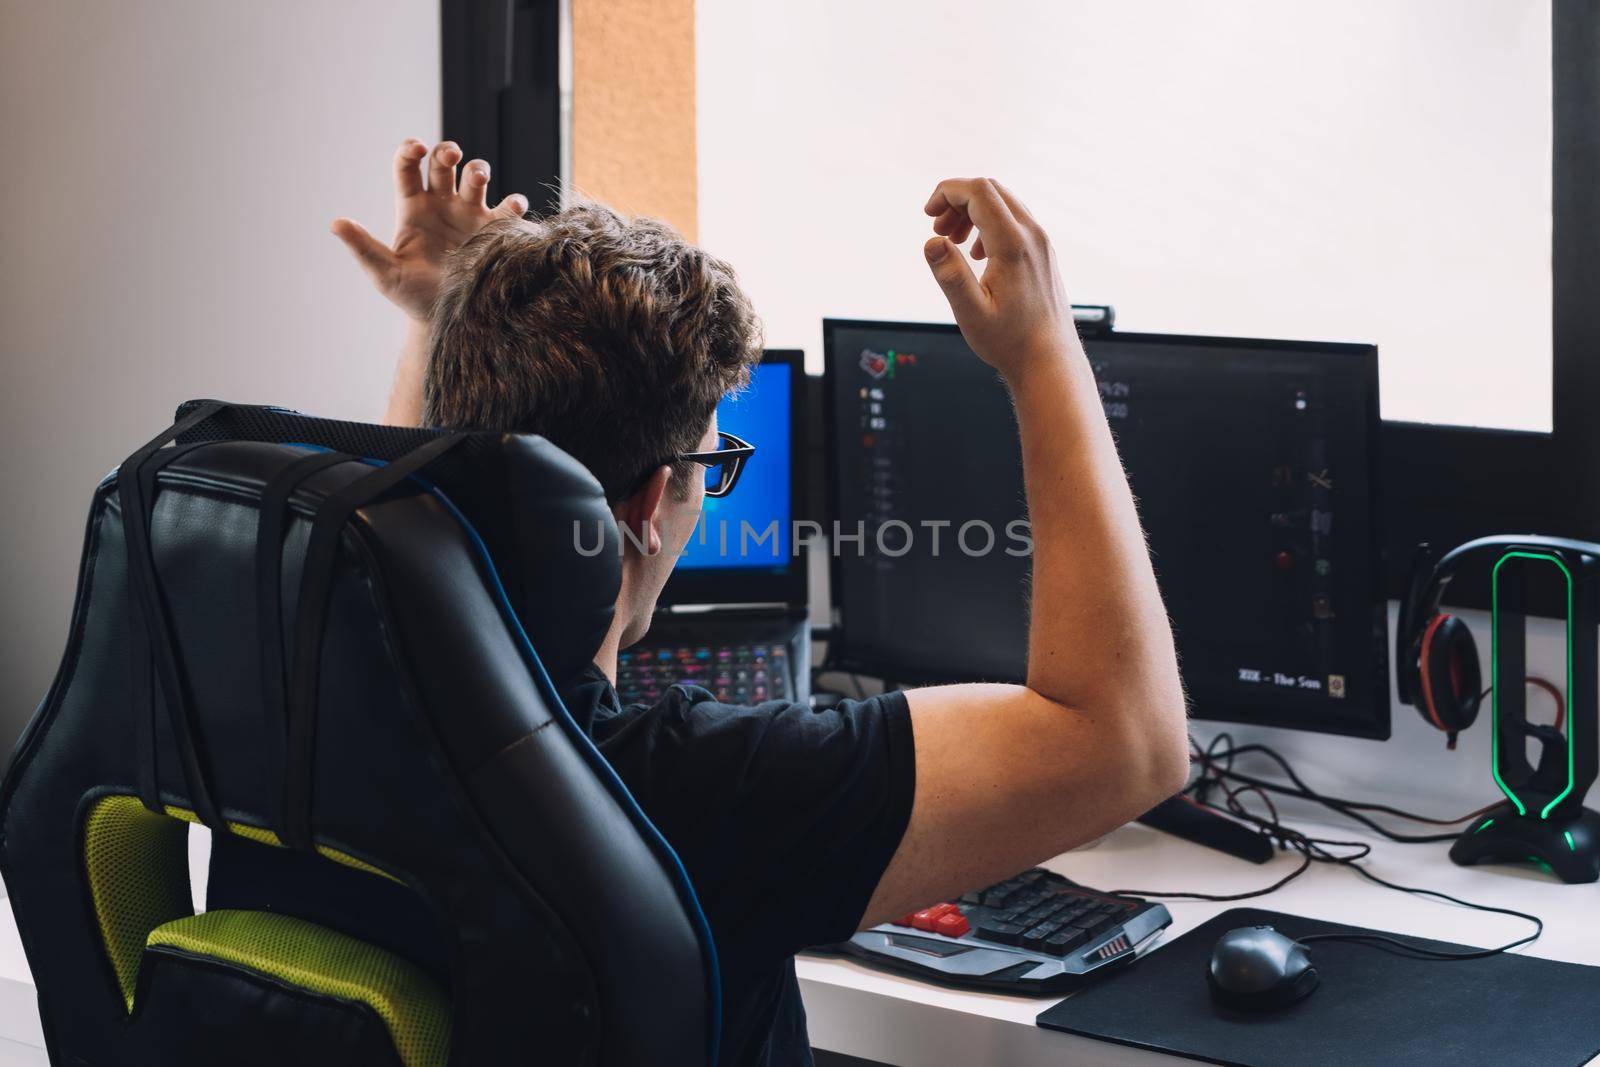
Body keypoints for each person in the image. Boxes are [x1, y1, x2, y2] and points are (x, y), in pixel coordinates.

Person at [333, 138, 1189, 1066]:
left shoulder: (315, 705)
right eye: (712, 464)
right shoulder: (688, 790)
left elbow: (395, 531)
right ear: (648, 504)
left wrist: (440, 320)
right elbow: (1127, 742)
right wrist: (1044, 354)